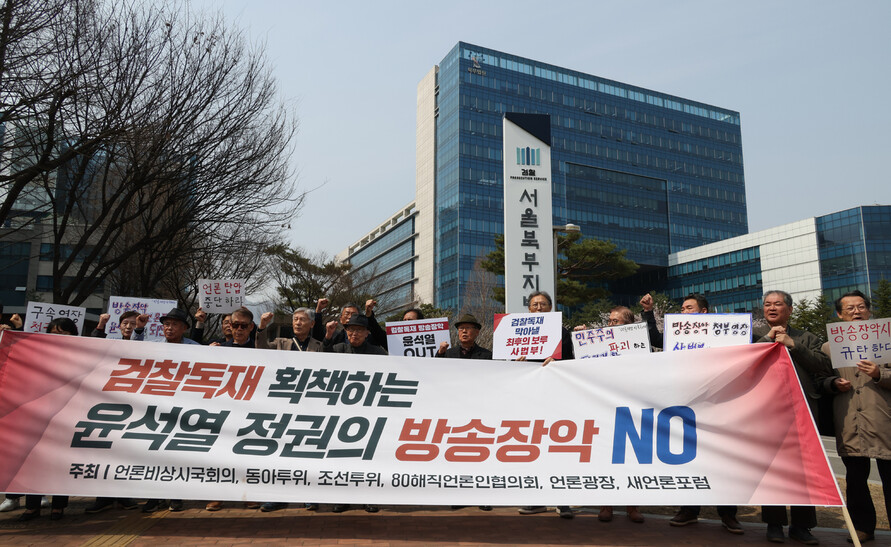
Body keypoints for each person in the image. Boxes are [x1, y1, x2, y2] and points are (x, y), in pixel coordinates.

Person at [651, 294, 744, 535]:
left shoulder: (726, 334)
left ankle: (728, 514)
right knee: (690, 460)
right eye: (681, 309)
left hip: (719, 406)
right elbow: (655, 338)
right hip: (688, 405)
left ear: (704, 312)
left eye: (688, 308)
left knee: (721, 460)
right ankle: (689, 510)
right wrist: (649, 313)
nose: (683, 313)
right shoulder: (676, 335)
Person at [754, 290, 831, 545]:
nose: (771, 308)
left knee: (804, 471)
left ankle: (802, 526)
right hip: (767, 414)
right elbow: (745, 362)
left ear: (790, 309)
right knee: (772, 469)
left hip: (802, 412)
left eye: (777, 304)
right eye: (767, 304)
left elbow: (822, 365)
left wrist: (793, 345)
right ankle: (774, 524)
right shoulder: (754, 336)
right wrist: (768, 339)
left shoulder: (807, 337)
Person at [816, 290, 889, 544]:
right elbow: (820, 381)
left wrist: (881, 373)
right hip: (848, 421)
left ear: (869, 310)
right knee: (856, 480)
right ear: (839, 314)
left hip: (884, 420)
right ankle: (863, 528)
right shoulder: (828, 346)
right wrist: (833, 383)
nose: (856, 312)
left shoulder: (887, 339)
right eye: (849, 309)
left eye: (861, 307)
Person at [254, 307, 323, 512]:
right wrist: (262, 327)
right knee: (280, 451)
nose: (298, 323)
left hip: (309, 406)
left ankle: (309, 494)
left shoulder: (319, 346)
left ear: (312, 324)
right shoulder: (282, 343)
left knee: (307, 451)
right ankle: (278, 496)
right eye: (295, 319)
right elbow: (261, 349)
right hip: (282, 405)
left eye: (302, 319)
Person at [516, 291, 574, 519]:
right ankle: (535, 499)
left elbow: (573, 361)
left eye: (543, 304)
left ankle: (563, 500)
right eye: (534, 304)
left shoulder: (562, 333)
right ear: (528, 308)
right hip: (529, 399)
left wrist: (557, 362)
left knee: (559, 447)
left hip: (556, 399)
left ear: (551, 307)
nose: (538, 308)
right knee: (532, 448)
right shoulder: (517, 331)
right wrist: (515, 361)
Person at [18, 318, 78, 521]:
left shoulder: (80, 355)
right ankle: (31, 506)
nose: (58, 337)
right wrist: (16, 329)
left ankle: (58, 506)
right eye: (54, 332)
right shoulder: (40, 354)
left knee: (59, 462)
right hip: (36, 416)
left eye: (64, 333)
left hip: (66, 416)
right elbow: (20, 353)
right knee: (33, 461)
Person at [84, 310, 144, 514]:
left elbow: (136, 348)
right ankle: (104, 497)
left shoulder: (145, 343)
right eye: (125, 323)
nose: (129, 327)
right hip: (106, 403)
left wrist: (140, 329)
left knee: (125, 452)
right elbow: (94, 346)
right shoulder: (109, 341)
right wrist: (100, 323)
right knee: (105, 452)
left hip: (132, 405)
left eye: (133, 324)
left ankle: (123, 495)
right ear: (118, 326)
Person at [594, 305, 646, 524]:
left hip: (631, 409)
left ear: (629, 325)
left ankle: (632, 506)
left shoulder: (638, 346)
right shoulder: (597, 343)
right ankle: (607, 505)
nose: (610, 324)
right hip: (605, 408)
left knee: (630, 459)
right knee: (607, 457)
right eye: (610, 321)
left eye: (615, 321)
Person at [142, 308, 196, 513]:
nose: (169, 328)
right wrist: (139, 329)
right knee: (154, 453)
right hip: (155, 408)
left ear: (184, 328)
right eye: (166, 324)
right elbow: (131, 351)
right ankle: (153, 497)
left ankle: (176, 496)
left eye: (174, 324)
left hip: (183, 409)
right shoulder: (153, 346)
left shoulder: (196, 348)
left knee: (177, 453)